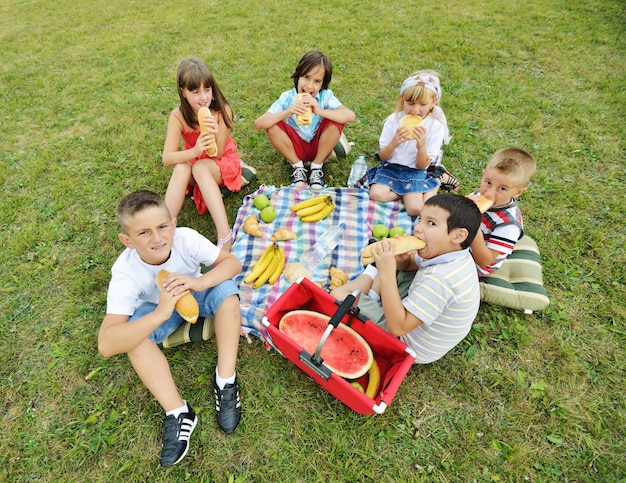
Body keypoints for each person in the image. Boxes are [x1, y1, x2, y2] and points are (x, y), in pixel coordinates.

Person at [98, 190, 243, 468]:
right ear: (127, 241)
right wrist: (161, 312)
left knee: (227, 293)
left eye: (162, 227)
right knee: (132, 336)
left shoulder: (186, 238)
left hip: (193, 292)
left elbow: (231, 263)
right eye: (143, 233)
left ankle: (225, 380)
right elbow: (106, 344)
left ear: (173, 224)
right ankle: (178, 412)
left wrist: (199, 283)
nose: (157, 238)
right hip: (156, 309)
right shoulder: (126, 273)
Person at [331, 194, 481, 364]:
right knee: (395, 263)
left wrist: (386, 271)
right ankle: (373, 290)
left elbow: (398, 327)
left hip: (404, 341)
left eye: (431, 223)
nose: (417, 228)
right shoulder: (451, 251)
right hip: (416, 317)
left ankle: (370, 281)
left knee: (337, 294)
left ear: (458, 236)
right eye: (420, 219)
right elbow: (410, 264)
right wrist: (400, 259)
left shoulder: (441, 280)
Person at [162, 57, 256, 252]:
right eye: (195, 92)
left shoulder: (222, 111)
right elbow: (167, 158)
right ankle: (163, 229)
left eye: (207, 89)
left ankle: (225, 235)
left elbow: (219, 152)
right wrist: (195, 151)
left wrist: (213, 133)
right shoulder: (178, 117)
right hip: (195, 158)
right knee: (183, 166)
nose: (203, 97)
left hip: (220, 162)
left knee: (200, 167)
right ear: (183, 92)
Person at [253, 50, 356, 191]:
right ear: (298, 75)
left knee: (337, 119)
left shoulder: (325, 97)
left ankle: (316, 168)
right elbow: (259, 123)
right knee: (272, 124)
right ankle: (297, 167)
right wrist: (287, 112)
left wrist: (319, 111)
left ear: (322, 84)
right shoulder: (287, 98)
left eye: (317, 81)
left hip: (319, 147)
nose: (309, 86)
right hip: (295, 149)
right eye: (306, 77)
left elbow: (350, 116)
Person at [367, 71, 457, 216]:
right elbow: (383, 156)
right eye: (410, 103)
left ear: (433, 102)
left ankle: (437, 179)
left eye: (423, 104)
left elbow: (422, 165)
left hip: (415, 170)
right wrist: (394, 143)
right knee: (376, 195)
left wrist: (421, 146)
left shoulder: (435, 126)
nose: (415, 110)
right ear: (402, 100)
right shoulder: (393, 120)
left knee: (415, 209)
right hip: (391, 167)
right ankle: (405, 191)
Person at [466, 148, 537, 277]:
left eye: (502, 189)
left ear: (517, 192)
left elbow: (485, 261)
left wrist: (473, 226)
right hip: (462, 241)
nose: (489, 193)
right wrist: (464, 203)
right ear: (483, 175)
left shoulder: (508, 225)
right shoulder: (480, 195)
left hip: (474, 264)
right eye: (488, 183)